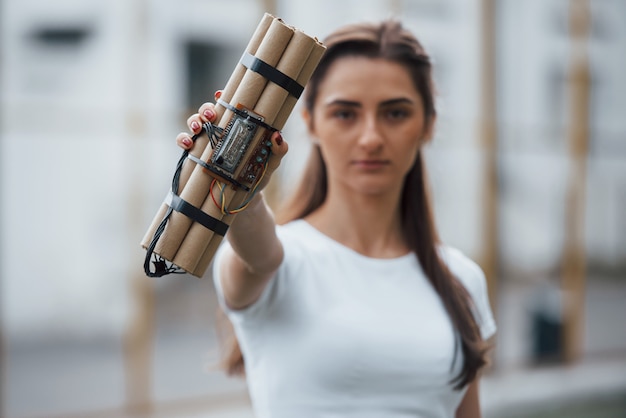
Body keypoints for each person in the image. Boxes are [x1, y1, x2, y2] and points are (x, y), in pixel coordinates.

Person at [177, 19, 496, 418]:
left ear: (428, 124)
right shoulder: (283, 260)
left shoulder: (462, 280)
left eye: (395, 113)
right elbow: (260, 257)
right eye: (345, 113)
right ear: (310, 121)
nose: (370, 138)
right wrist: (242, 186)